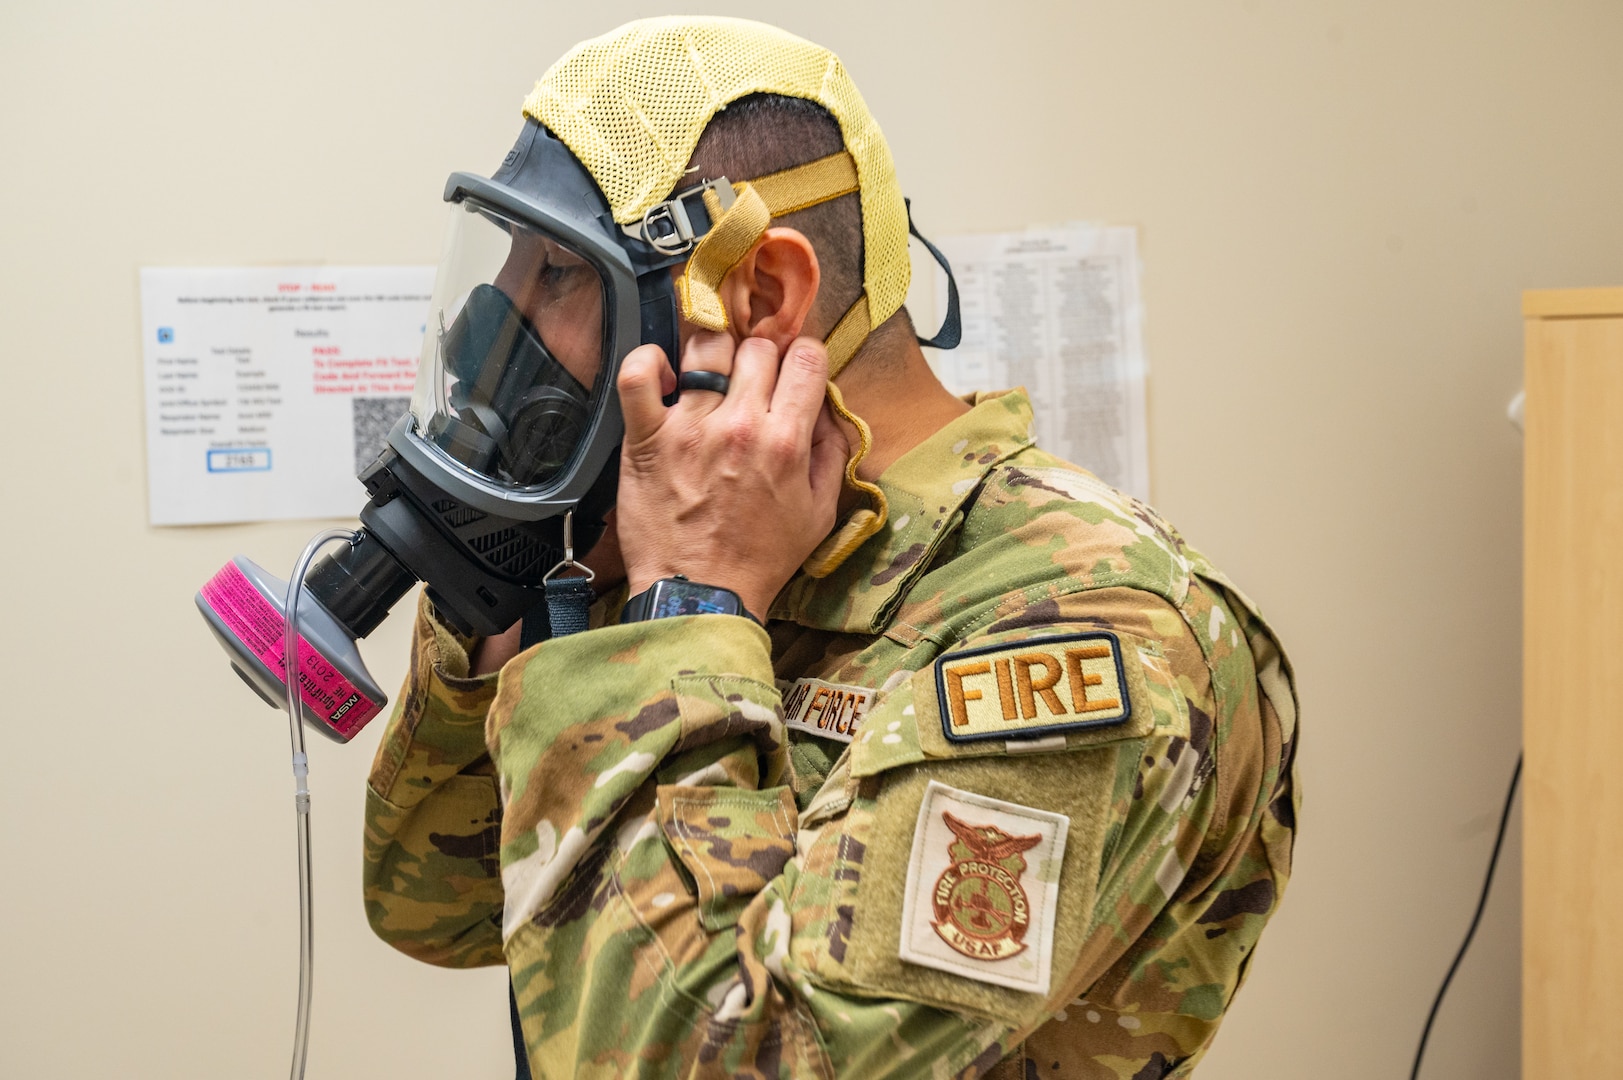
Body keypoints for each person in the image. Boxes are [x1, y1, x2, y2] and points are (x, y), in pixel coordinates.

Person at [362, 17, 1298, 1079]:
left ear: (756, 296)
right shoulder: (697, 537)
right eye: (511, 265)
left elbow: (729, 1059)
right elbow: (444, 905)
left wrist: (688, 618)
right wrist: (511, 603)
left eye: (560, 275)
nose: (498, 323)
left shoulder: (1087, 630)